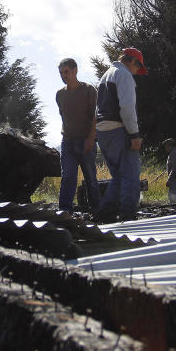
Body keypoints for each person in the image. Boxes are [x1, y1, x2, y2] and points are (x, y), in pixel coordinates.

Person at [95, 47, 147, 221]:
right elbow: (126, 108)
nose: (137, 71)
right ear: (131, 60)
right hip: (119, 130)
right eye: (138, 66)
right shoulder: (124, 75)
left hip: (103, 132)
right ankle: (128, 215)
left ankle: (105, 213)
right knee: (131, 175)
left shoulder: (105, 76)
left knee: (118, 176)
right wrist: (134, 135)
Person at [55, 57, 100, 213]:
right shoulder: (59, 94)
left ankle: (96, 210)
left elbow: (95, 117)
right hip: (68, 141)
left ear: (75, 71)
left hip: (86, 140)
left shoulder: (89, 90)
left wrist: (91, 138)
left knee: (90, 178)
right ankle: (65, 211)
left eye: (66, 72)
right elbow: (63, 115)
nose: (64, 75)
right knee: (67, 176)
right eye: (61, 73)